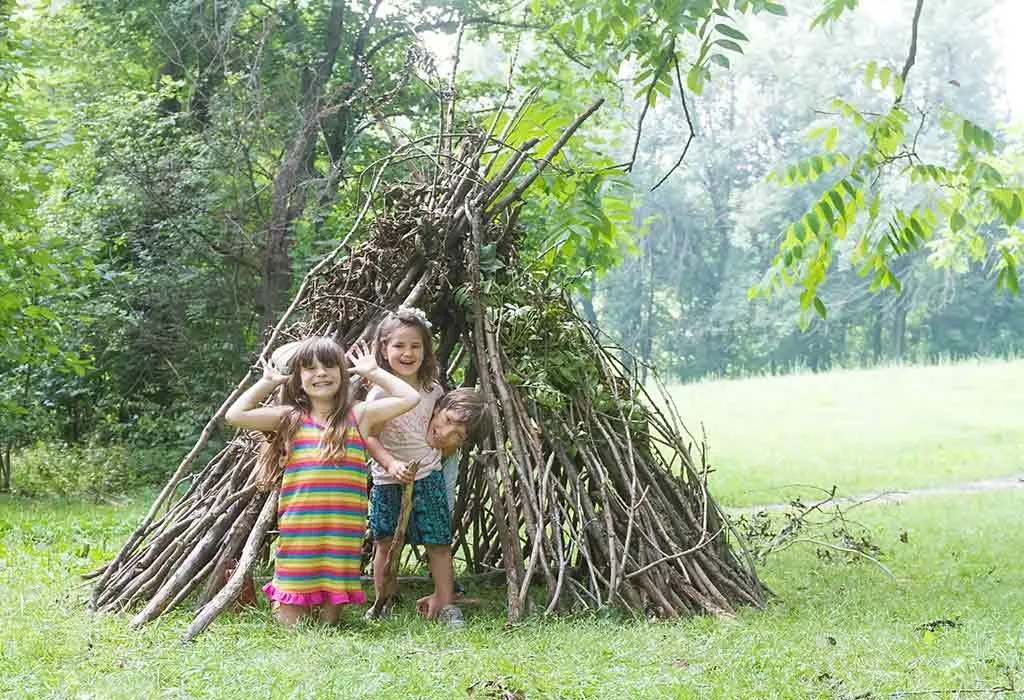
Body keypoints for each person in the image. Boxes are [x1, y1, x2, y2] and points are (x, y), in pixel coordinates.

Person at [224, 335, 421, 627]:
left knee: (330, 619)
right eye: (310, 368)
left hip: (342, 529)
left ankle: (329, 612)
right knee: (291, 621)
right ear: (298, 379)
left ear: (342, 373)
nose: (321, 373)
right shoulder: (290, 418)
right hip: (301, 527)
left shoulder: (359, 415)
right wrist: (267, 383)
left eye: (329, 366)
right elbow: (234, 415)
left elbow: (410, 398)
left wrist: (374, 372)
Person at [363, 307, 468, 625]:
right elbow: (369, 437)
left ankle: (447, 605)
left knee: (439, 541)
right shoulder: (379, 394)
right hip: (387, 480)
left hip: (429, 477)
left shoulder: (433, 389)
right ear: (384, 349)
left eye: (415, 346)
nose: (407, 353)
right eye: (399, 346)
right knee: (384, 542)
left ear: (426, 350)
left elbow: (443, 429)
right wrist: (391, 464)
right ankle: (383, 601)